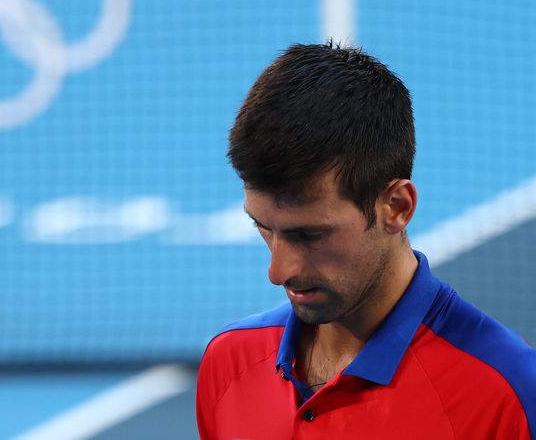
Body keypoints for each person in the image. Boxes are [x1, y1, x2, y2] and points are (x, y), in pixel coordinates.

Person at [196, 42, 536, 439]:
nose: (278, 271)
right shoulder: (228, 362)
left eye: (308, 234)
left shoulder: (509, 393)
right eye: (264, 227)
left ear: (396, 206)